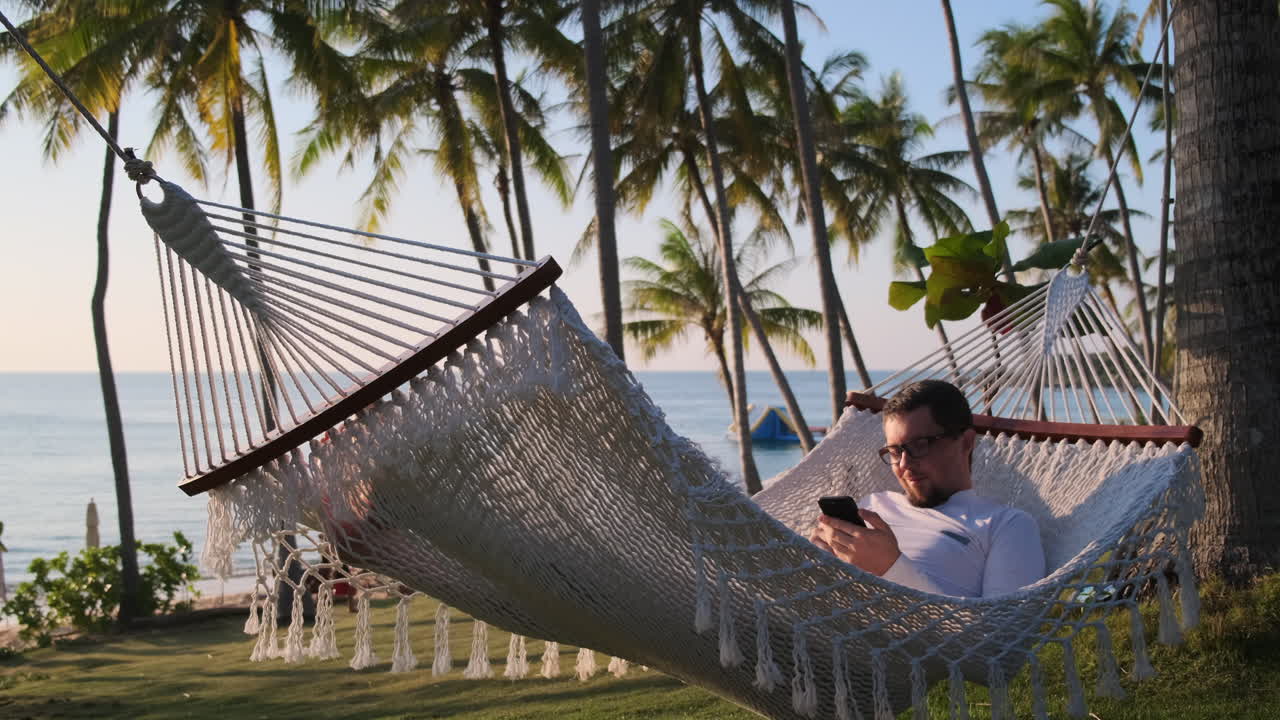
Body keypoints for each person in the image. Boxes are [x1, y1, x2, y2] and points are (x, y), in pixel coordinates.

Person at [809, 380, 1045, 597]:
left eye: (919, 445)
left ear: (966, 442)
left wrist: (891, 569)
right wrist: (815, 562)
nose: (904, 465)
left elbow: (1001, 635)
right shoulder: (872, 505)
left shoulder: (1005, 525)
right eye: (894, 451)